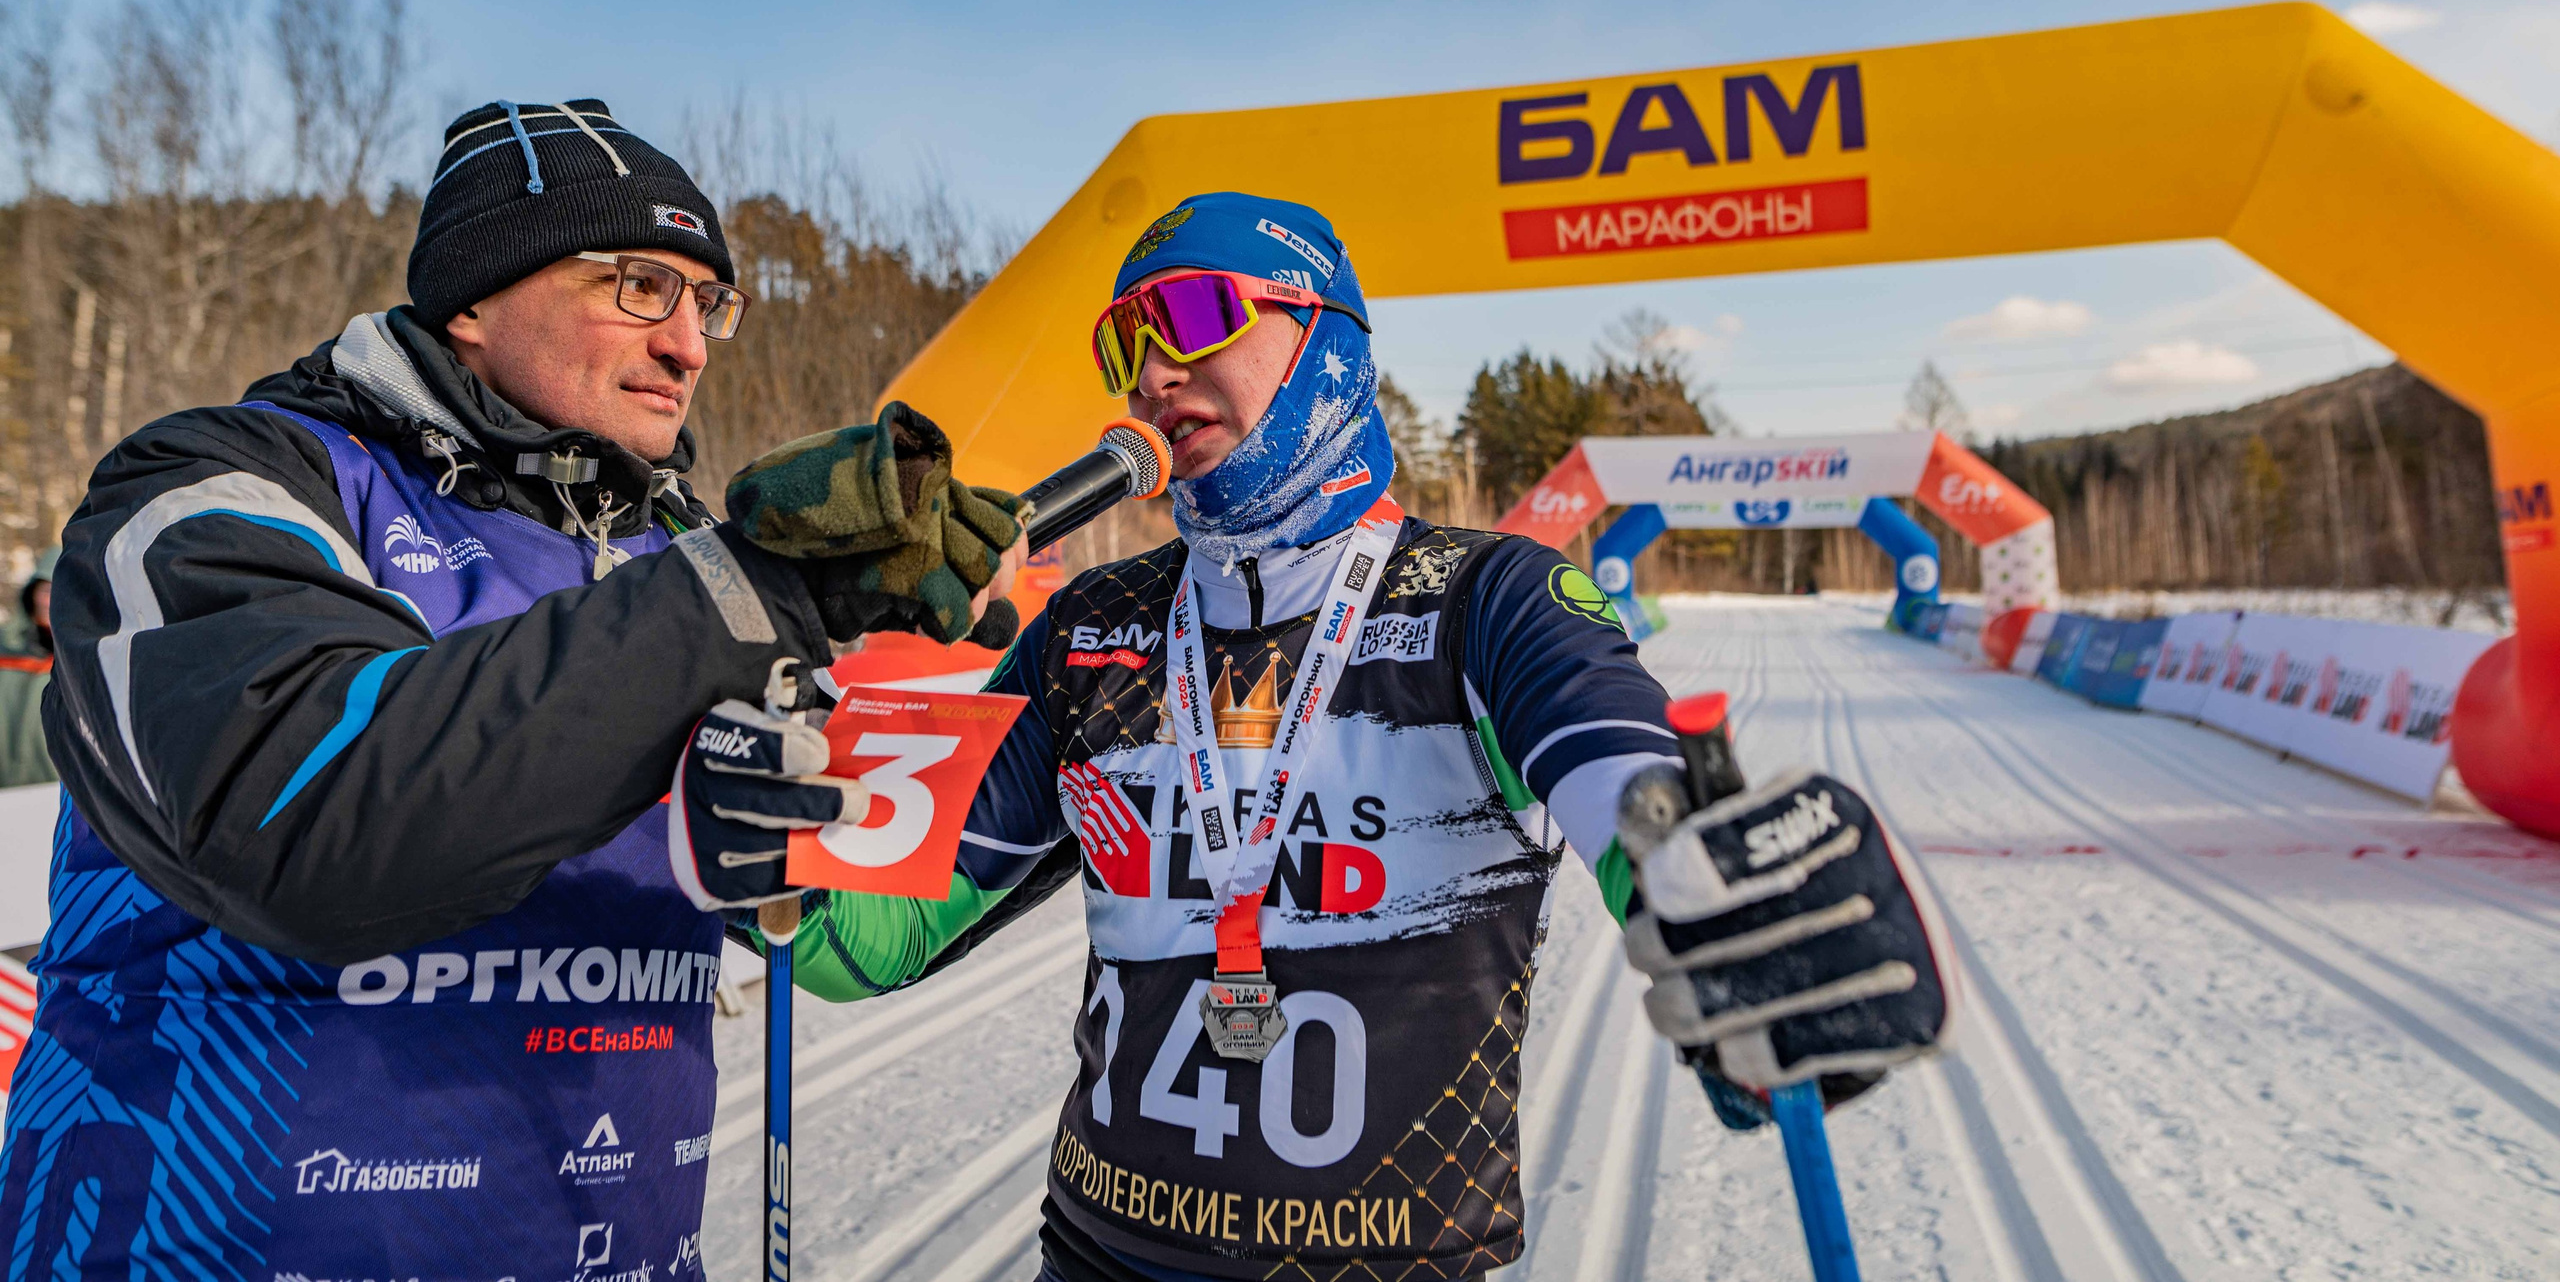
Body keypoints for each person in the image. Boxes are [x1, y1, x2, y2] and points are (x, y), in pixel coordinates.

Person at [686, 193, 1950, 1281]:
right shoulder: (1090, 624)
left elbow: (1636, 794)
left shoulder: (1486, 595)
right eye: (1124, 342)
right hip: (1099, 1253)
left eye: (1185, 318)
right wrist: (775, 841)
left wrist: (1719, 894)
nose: (1150, 373)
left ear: (1324, 342)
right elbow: (877, 936)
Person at [1, 99, 1022, 1279]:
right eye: (641, 284)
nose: (688, 343)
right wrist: (743, 596)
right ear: (475, 297)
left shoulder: (676, 555)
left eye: (708, 303)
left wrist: (1068, 682)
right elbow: (319, 818)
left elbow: (855, 935)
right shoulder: (220, 483)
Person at [0, 546, 56, 788]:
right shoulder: (6, 646)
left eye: (58, 591)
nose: (48, 601)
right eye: (44, 590)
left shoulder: (85, 657)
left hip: (56, 788)